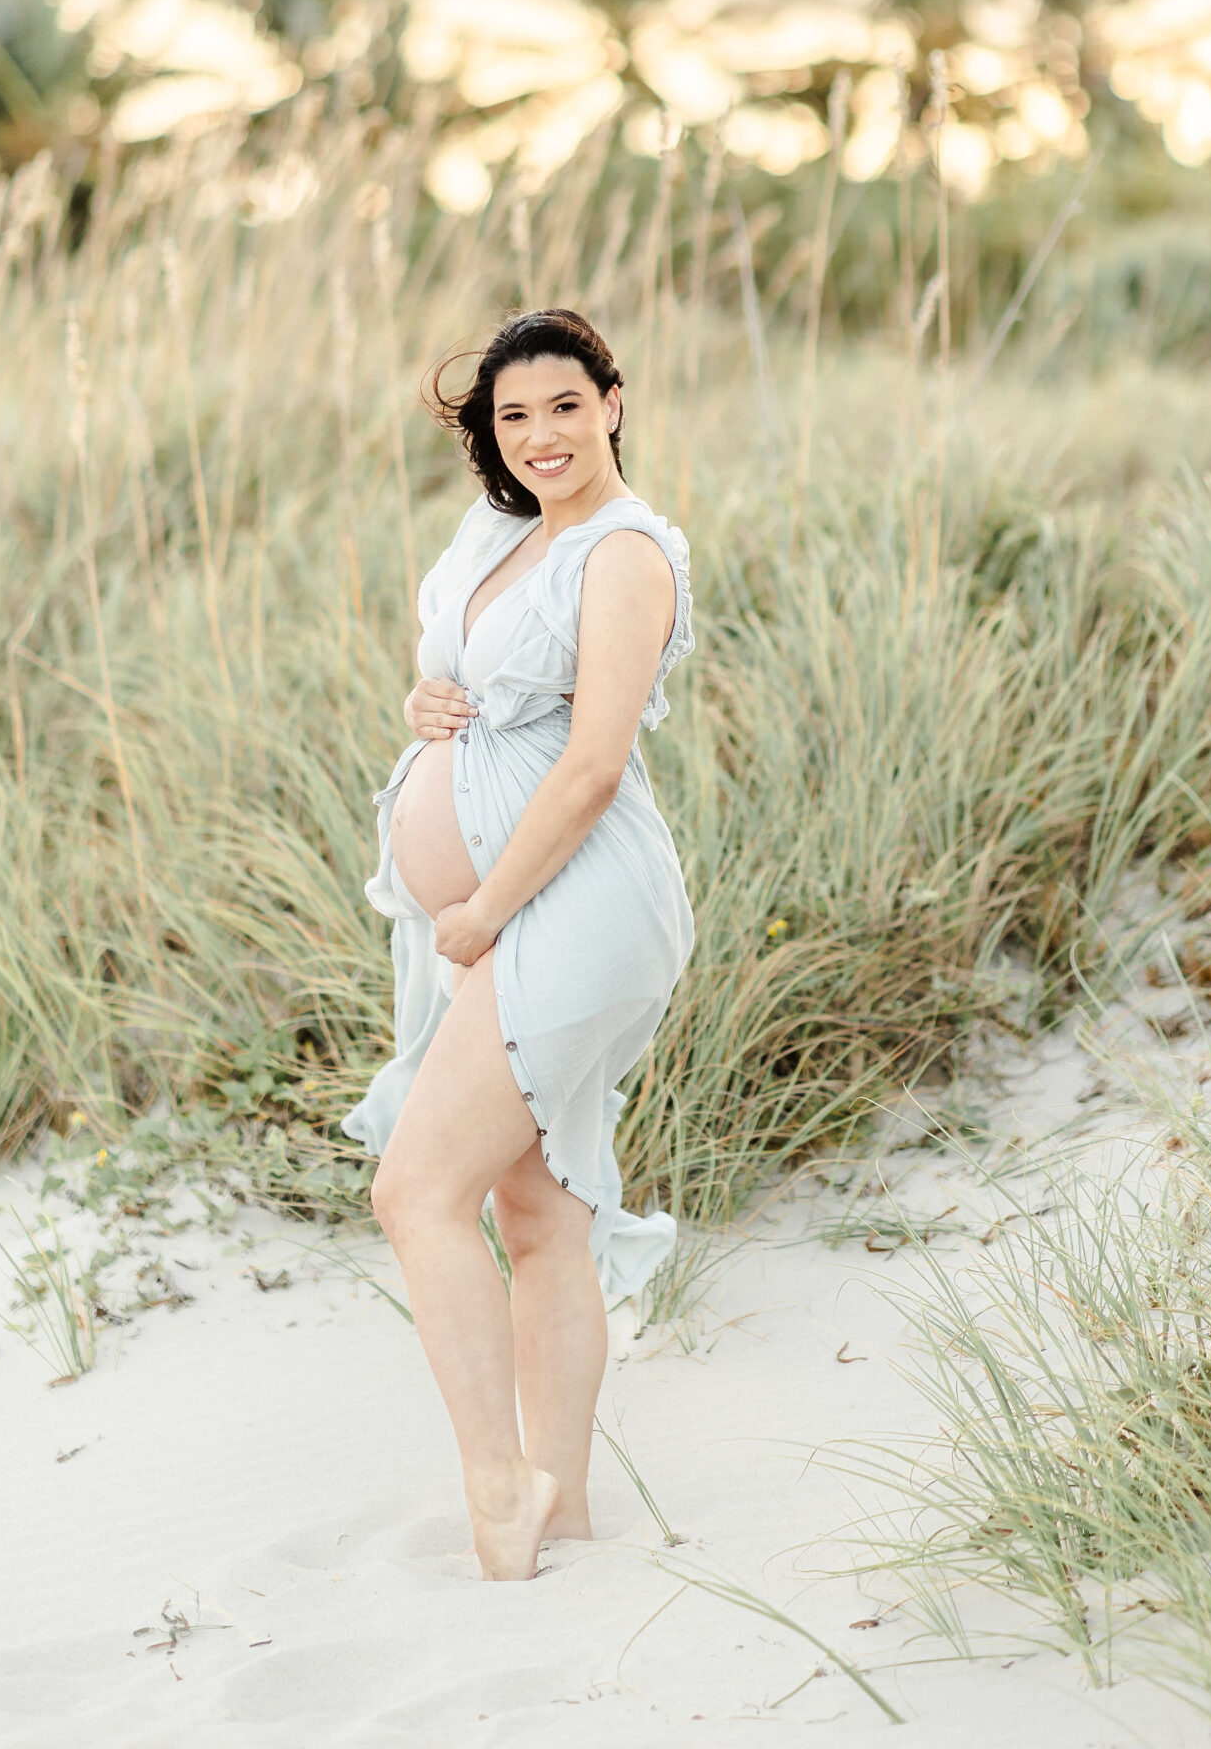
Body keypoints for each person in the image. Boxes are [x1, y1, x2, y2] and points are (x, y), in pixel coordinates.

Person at [342, 307, 695, 1581]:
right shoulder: (503, 536)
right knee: (533, 1208)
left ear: (611, 399)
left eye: (563, 405)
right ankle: (568, 1508)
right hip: (502, 913)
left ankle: (498, 1487)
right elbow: (464, 675)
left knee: (414, 1190)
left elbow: (594, 761)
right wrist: (425, 700)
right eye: (513, 415)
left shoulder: (624, 553)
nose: (541, 434)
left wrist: (485, 912)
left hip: (571, 903)